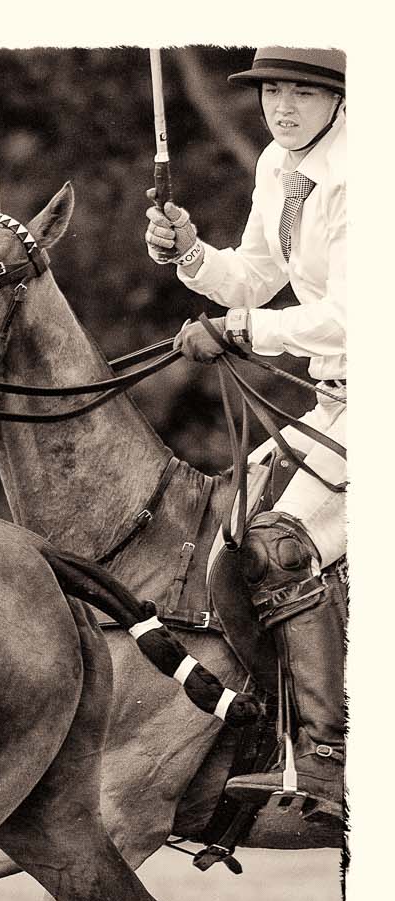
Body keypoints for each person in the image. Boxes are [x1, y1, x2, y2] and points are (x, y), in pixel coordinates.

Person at [145, 47, 346, 824]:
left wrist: (241, 328)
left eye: (303, 92)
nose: (283, 107)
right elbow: (253, 276)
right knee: (229, 525)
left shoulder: (364, 176)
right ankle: (273, 725)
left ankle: (328, 756)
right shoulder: (277, 163)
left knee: (279, 545)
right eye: (272, 91)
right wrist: (192, 255)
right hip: (333, 397)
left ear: (337, 99)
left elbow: (354, 317)